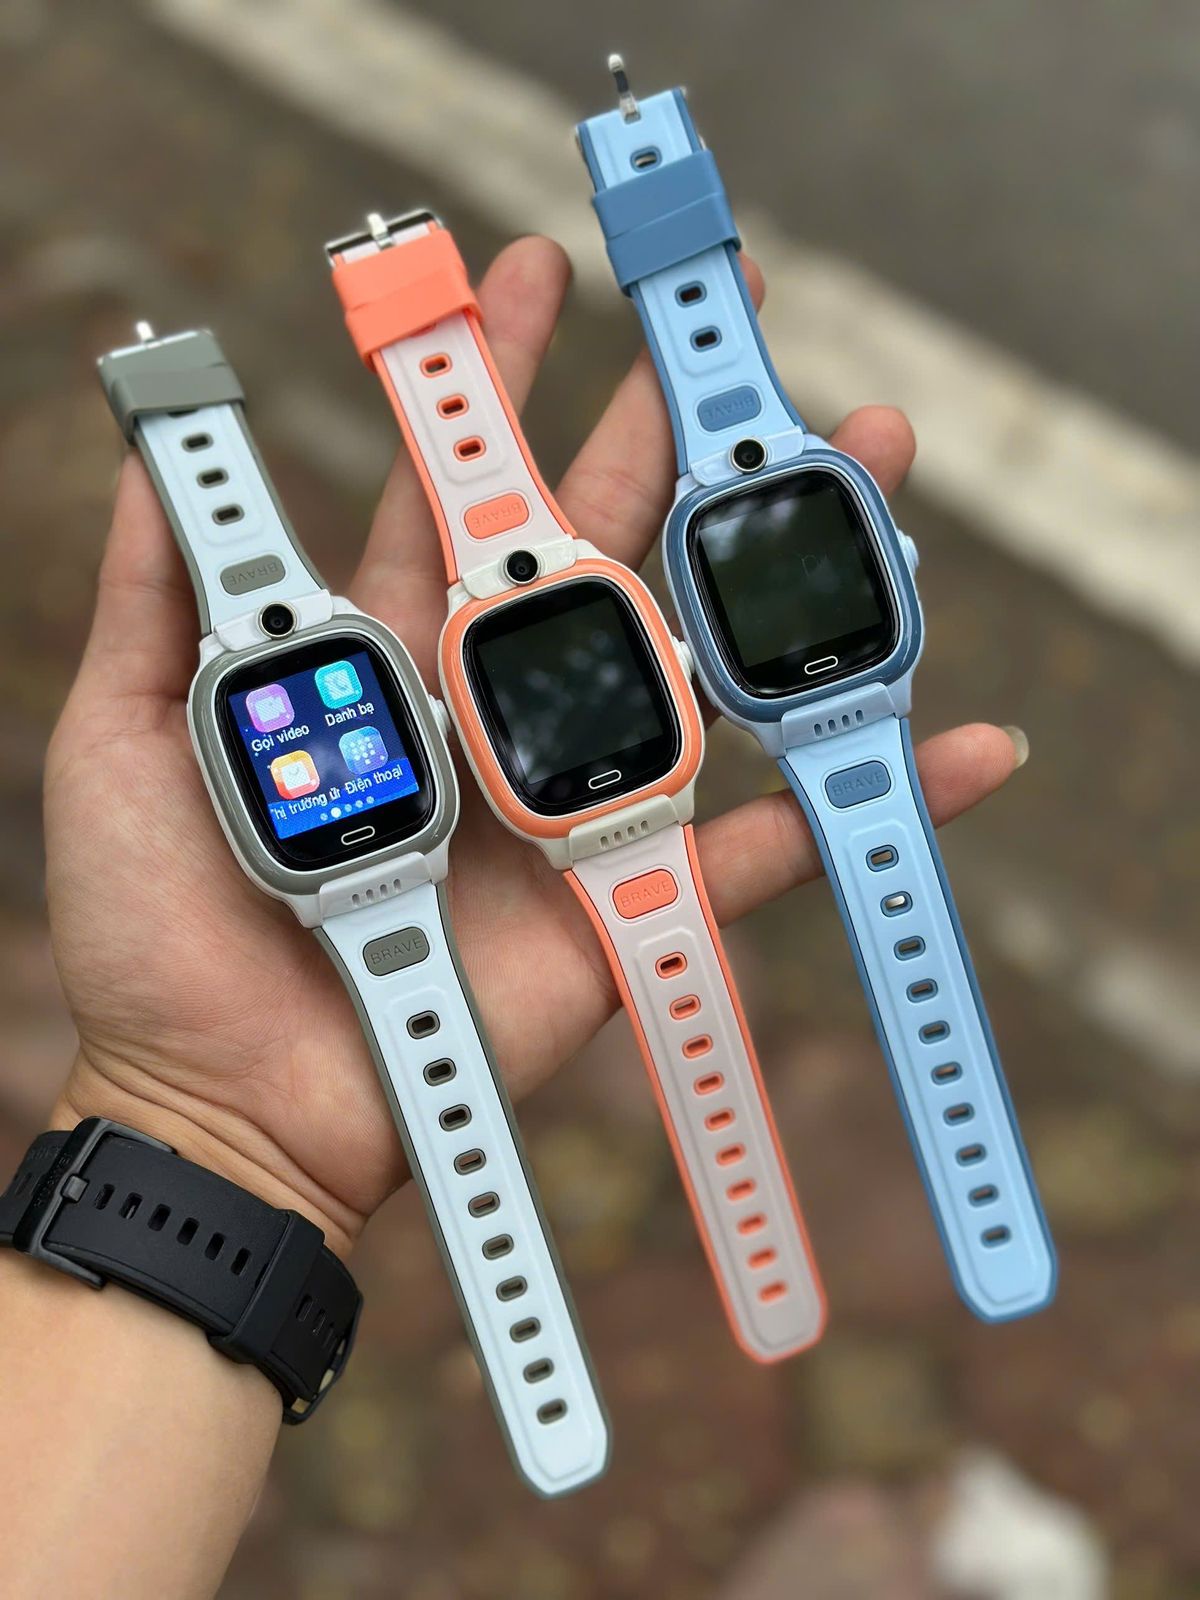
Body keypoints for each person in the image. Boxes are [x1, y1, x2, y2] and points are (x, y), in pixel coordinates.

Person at [0, 238, 1024, 1599]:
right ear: (445, 730)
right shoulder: (362, 696)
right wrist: (217, 1126)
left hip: (587, 806)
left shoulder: (459, 669)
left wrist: (217, 1138)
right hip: (449, 864)